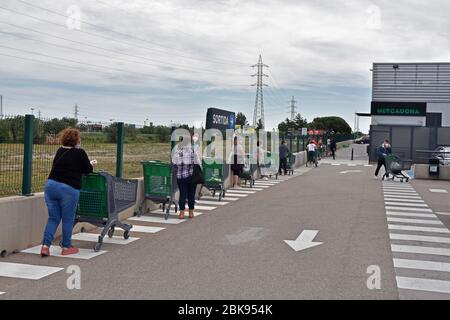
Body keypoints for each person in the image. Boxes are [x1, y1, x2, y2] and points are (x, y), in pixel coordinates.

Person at [40, 128, 96, 257]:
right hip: (69, 189)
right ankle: (66, 247)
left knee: (53, 218)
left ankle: (45, 246)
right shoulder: (80, 152)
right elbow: (87, 170)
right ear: (77, 140)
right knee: (68, 219)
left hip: (51, 185)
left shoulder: (60, 151)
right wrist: (92, 164)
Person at [173, 135, 201, 219]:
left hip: (181, 176)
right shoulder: (193, 150)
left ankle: (181, 213)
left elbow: (174, 161)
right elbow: (198, 162)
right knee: (191, 194)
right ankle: (191, 213)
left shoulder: (178, 151)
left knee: (183, 194)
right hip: (192, 176)